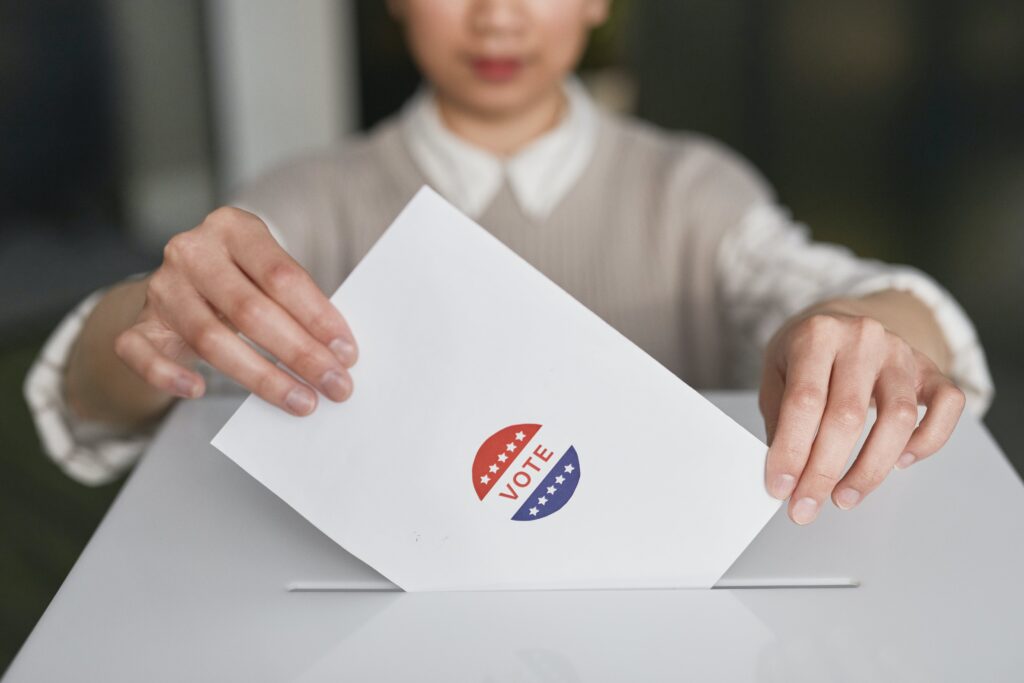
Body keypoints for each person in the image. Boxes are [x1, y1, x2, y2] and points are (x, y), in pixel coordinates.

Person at [25, 0, 992, 526]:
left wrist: (866, 336)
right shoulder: (305, 198)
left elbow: (832, 292)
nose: (496, 17)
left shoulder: (693, 187)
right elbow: (87, 400)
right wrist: (149, 320)